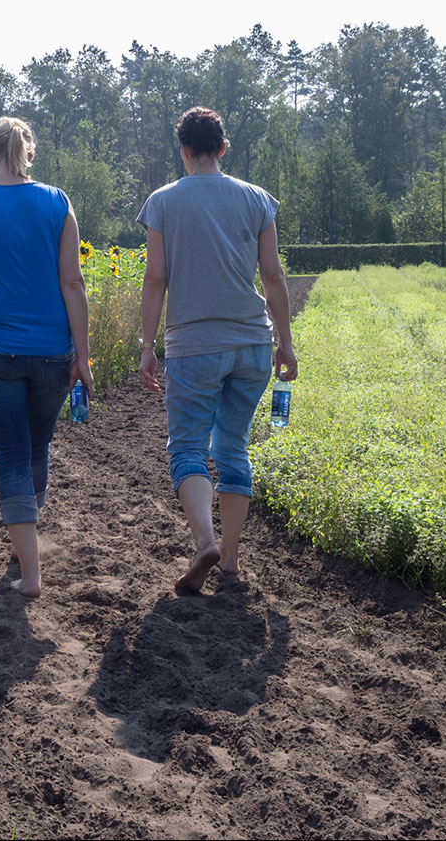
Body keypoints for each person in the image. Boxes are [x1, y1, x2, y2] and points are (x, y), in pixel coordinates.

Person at [136, 106, 298, 593]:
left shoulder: (162, 202)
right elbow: (272, 276)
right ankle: (229, 560)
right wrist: (285, 343)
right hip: (252, 341)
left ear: (183, 150)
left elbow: (157, 278)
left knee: (187, 449)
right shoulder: (256, 199)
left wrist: (147, 346)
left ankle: (204, 540)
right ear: (223, 148)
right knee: (233, 447)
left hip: (193, 345)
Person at [0, 116, 93, 597]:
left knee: (10, 452)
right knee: (36, 448)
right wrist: (83, 356)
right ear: (29, 153)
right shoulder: (56, 201)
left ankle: (30, 573)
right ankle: (24, 545)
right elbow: (73, 283)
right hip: (52, 351)